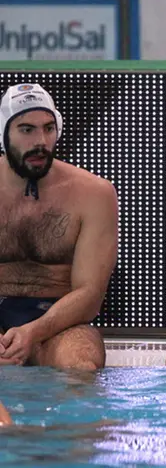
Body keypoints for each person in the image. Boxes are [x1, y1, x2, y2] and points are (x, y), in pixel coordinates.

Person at [0, 83, 116, 370]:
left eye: (49, 128)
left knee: (82, 364)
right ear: (4, 134)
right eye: (27, 130)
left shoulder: (93, 193)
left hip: (57, 323)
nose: (41, 141)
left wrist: (34, 332)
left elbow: (90, 294)